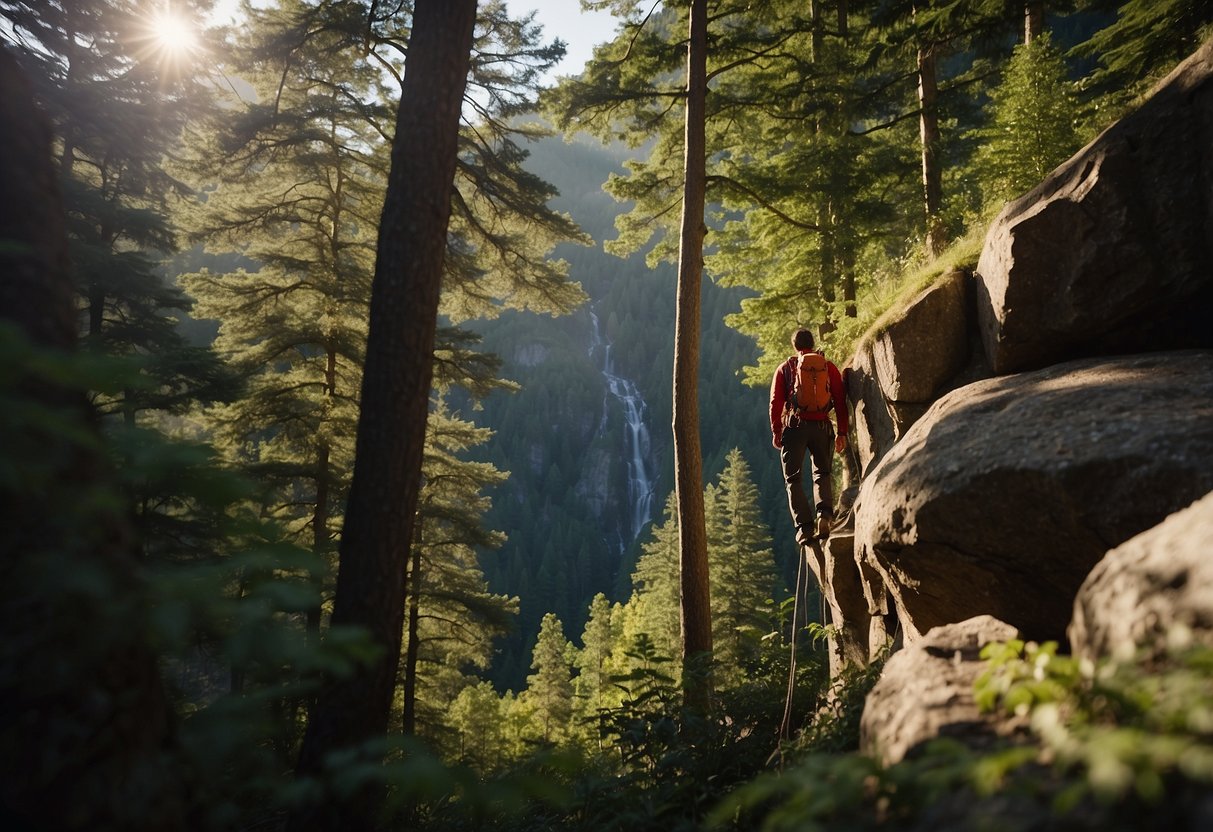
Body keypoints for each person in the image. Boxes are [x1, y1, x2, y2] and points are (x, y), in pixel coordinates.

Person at [769, 328, 848, 547]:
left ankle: (805, 529)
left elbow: (776, 403)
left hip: (795, 427)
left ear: (795, 346)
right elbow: (840, 400)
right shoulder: (827, 367)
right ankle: (824, 516)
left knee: (793, 479)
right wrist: (842, 432)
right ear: (812, 344)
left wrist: (777, 431)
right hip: (822, 426)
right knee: (822, 473)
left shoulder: (785, 369)